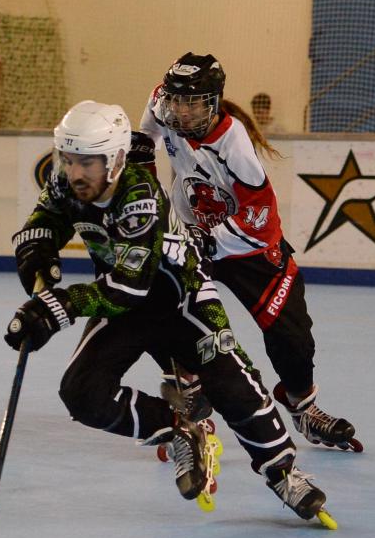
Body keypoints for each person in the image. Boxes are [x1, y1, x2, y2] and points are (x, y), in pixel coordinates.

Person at [6, 100, 332, 524]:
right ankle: (178, 432)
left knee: (231, 386)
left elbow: (130, 284)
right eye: (67, 159)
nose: (75, 173)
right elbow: (44, 220)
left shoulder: (138, 193)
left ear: (116, 159)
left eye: (87, 162)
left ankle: (283, 473)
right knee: (82, 393)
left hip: (181, 297)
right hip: (123, 304)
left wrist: (56, 308)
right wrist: (35, 252)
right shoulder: (66, 183)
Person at [139, 53, 361, 452]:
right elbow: (151, 120)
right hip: (192, 233)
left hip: (248, 247)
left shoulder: (234, 144)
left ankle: (303, 407)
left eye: (192, 103)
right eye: (176, 101)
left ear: (212, 103)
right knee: (158, 305)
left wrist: (210, 240)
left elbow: (259, 217)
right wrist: (145, 159)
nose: (180, 112)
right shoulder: (164, 103)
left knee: (292, 337)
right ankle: (190, 396)